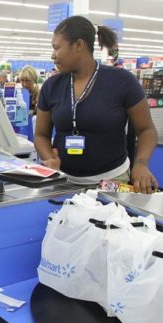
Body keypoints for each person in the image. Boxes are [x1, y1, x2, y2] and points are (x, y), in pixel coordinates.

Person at [35, 16, 158, 194]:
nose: (53, 55)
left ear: (79, 45)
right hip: (64, 182)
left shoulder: (122, 82)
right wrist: (49, 159)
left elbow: (147, 130)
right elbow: (40, 135)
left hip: (112, 182)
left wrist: (140, 164)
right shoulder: (51, 86)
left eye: (56, 47)